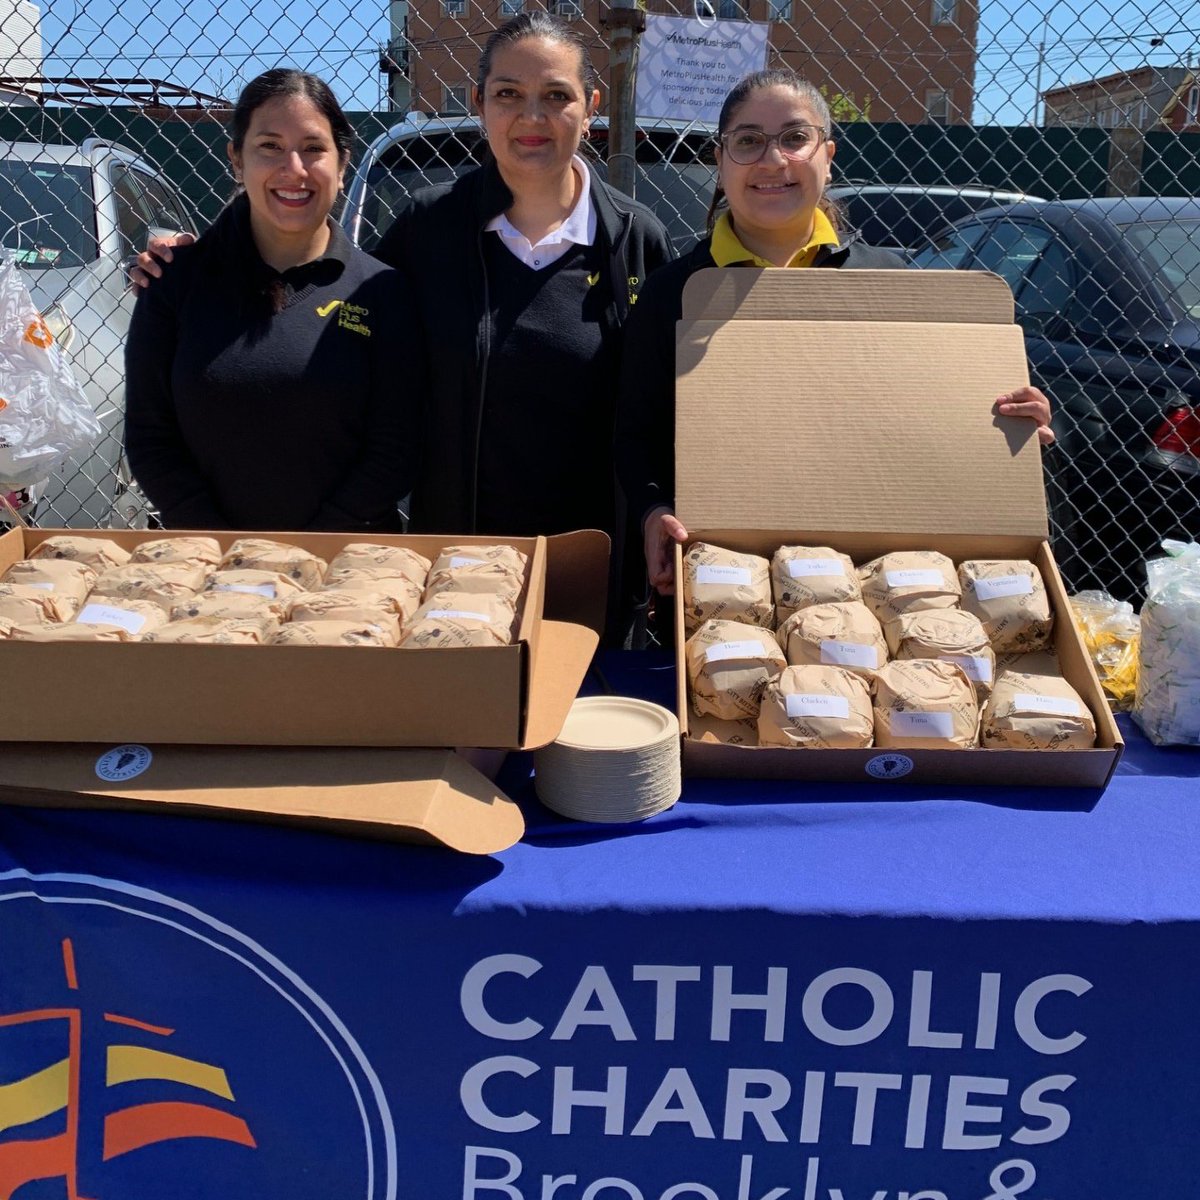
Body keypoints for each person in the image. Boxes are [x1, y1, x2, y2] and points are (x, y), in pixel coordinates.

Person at [615, 69, 1055, 597]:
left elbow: (930, 419)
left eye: (795, 138)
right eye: (748, 141)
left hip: (879, 582)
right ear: (720, 160)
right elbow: (637, 435)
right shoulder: (671, 294)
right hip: (725, 581)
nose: (773, 160)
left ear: (828, 154)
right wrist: (653, 511)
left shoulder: (891, 281)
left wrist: (1009, 423)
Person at [124, 69, 418, 531]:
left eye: (313, 148)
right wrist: (225, 550)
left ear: (342, 164)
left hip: (351, 572)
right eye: (270, 147)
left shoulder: (383, 291)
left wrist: (313, 551)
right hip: (208, 566)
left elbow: (397, 446)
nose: (294, 169)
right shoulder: (172, 282)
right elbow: (149, 436)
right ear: (237, 160)